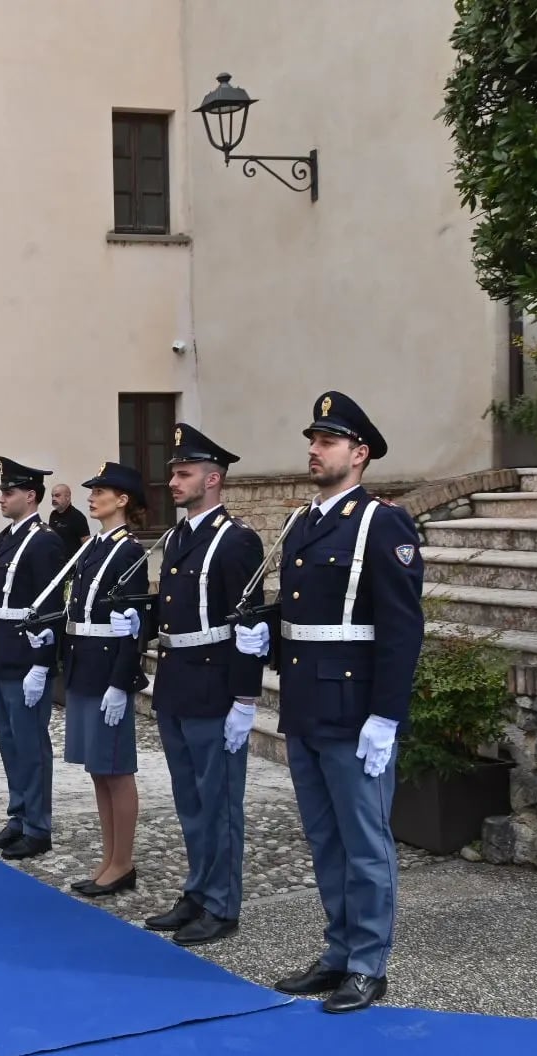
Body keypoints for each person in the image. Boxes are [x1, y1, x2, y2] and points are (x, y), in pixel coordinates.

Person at [235, 391, 423, 1013]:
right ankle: (339, 950)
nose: (313, 451)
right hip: (307, 704)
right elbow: (308, 614)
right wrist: (267, 633)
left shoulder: (382, 522)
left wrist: (387, 715)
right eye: (312, 441)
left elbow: (401, 628)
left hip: (354, 708)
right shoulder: (305, 523)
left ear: (359, 453)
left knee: (366, 844)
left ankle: (369, 963)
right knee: (324, 839)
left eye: (328, 442)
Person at [144, 424, 265, 947]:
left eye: (184, 472)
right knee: (190, 799)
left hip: (213, 685)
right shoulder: (179, 537)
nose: (173, 480)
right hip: (176, 682)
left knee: (218, 802)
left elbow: (249, 623)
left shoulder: (236, 540)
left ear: (213, 479)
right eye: (173, 472)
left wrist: (245, 697)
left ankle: (222, 903)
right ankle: (198, 889)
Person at [61, 462, 150, 897]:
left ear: (123, 500)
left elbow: (133, 627)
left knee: (116, 768)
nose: (92, 496)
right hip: (85, 666)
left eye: (101, 491)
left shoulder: (128, 551)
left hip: (106, 672)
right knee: (98, 768)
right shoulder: (95, 547)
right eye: (92, 490)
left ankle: (123, 861)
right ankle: (109, 856)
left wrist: (122, 682)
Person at [0, 458, 69, 860]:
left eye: (8, 491)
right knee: (10, 743)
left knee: (31, 743)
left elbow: (49, 608)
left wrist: (42, 663)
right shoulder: (6, 538)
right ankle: (18, 815)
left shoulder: (44, 540)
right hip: (0, 653)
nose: (1, 497)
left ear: (30, 496)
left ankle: (37, 825)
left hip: (25, 657)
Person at [49, 483, 92, 549]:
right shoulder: (53, 514)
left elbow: (86, 544)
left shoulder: (78, 517)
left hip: (71, 558)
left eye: (57, 495)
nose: (53, 499)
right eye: (52, 496)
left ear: (67, 497)